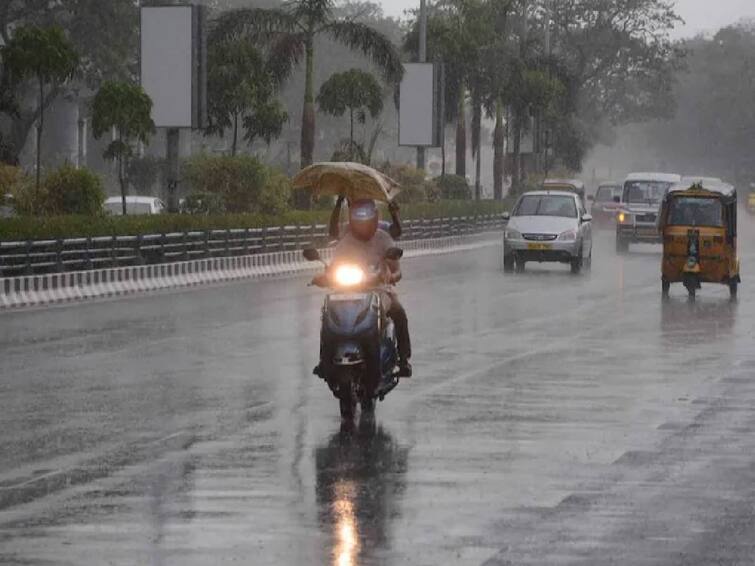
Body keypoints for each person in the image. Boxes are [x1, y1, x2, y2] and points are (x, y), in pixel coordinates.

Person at [317, 199, 412, 378]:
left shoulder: (384, 237)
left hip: (379, 289)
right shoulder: (345, 237)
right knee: (327, 313)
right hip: (347, 290)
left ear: (375, 215)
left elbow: (397, 269)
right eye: (357, 214)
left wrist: (391, 276)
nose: (362, 218)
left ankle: (404, 359)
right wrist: (326, 276)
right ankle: (324, 359)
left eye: (367, 214)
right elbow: (334, 256)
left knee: (399, 312)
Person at [329, 195, 402, 240]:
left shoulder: (380, 227)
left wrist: (394, 214)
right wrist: (338, 203)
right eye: (356, 208)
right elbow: (333, 232)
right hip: (355, 262)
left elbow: (397, 232)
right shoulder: (349, 228)